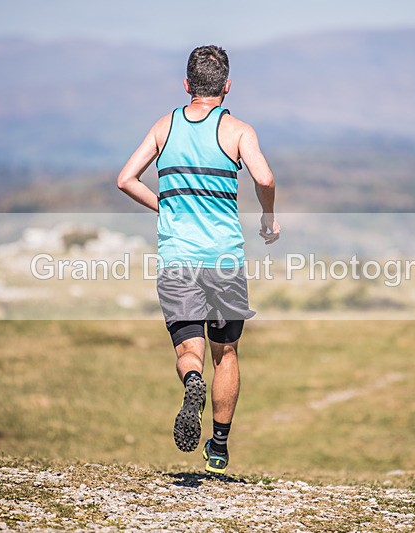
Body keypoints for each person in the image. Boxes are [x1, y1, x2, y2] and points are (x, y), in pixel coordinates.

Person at [117, 45, 280, 473]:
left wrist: (164, 206)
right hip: (224, 260)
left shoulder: (164, 126)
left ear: (187, 85)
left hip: (178, 260)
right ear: (226, 87)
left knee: (190, 349)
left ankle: (192, 382)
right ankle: (220, 446)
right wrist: (267, 215)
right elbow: (263, 176)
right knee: (226, 351)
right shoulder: (238, 131)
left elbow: (125, 179)